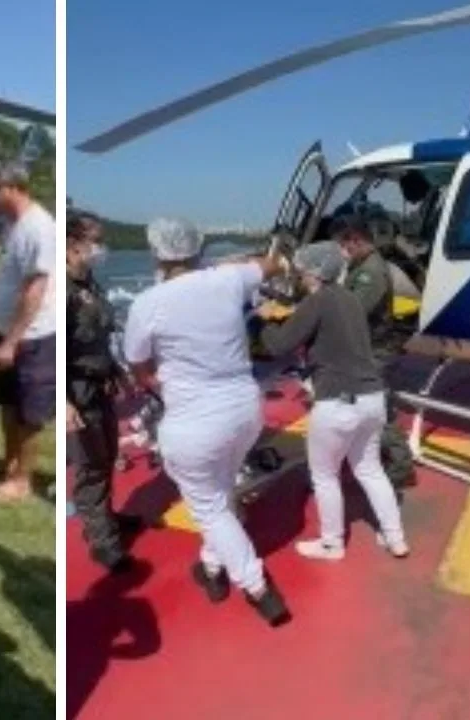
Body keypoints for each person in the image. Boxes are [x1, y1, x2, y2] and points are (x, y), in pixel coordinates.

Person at [122, 218, 291, 627]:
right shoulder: (228, 279)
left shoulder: (148, 303)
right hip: (244, 411)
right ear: (198, 249)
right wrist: (260, 258)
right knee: (220, 492)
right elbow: (273, 265)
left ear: (158, 254)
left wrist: (158, 385)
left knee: (211, 508)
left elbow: (138, 363)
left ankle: (258, 589)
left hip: (195, 423)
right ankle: (211, 568)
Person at [259, 241, 410, 561]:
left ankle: (332, 543)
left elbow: (279, 345)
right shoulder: (351, 300)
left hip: (338, 403)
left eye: (301, 273)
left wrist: (264, 320)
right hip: (372, 398)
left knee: (325, 476)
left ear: (312, 273)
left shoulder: (319, 300)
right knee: (369, 470)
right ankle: (395, 538)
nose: (299, 278)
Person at [67, 209, 135, 572]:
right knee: (90, 466)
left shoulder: (89, 283)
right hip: (76, 390)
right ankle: (101, 541)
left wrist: (117, 369)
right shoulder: (61, 291)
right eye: (96, 241)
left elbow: (99, 336)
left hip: (99, 383)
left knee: (107, 456)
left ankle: (105, 518)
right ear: (71, 245)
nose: (101, 248)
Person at [0, 160, 56, 502]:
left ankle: (22, 481)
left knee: (29, 413)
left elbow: (35, 291)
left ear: (9, 187)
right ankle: (10, 465)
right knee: (8, 403)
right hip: (8, 333)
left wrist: (11, 342)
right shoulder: (15, 225)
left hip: (31, 338)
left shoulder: (38, 228)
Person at [335, 214, 417, 489]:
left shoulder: (371, 272)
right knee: (370, 407)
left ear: (356, 241)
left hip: (374, 350)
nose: (342, 252)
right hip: (368, 348)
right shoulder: (364, 265)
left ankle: (401, 466)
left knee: (377, 411)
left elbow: (354, 310)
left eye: (344, 246)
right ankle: (376, 458)